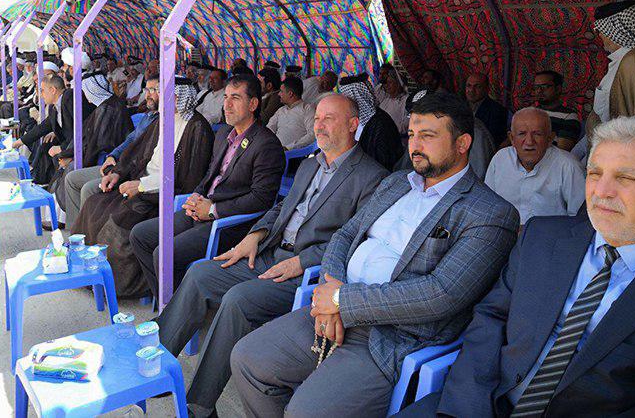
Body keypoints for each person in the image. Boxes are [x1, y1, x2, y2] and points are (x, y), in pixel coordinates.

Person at [231, 92, 520, 417]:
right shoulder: (397, 183)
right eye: (412, 134)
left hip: (390, 337)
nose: (415, 145)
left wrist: (342, 301)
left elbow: (440, 294)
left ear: (462, 143)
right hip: (333, 311)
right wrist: (331, 293)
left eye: (427, 136)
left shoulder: (489, 213)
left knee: (304, 412)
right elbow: (344, 235)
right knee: (247, 359)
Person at [155, 94, 389, 417]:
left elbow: (353, 242)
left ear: (353, 125)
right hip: (269, 252)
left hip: (306, 274)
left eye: (329, 119)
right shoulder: (310, 164)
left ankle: (199, 406)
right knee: (199, 274)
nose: (319, 126)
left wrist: (302, 262)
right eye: (317, 119)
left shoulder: (372, 177)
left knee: (237, 300)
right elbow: (281, 208)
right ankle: (156, 366)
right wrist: (255, 235)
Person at [398, 115, 635, 418]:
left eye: (626, 178)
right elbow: (491, 318)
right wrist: (466, 408)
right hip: (483, 403)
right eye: (594, 173)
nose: (601, 191)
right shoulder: (541, 237)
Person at [129, 73, 285, 300]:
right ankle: (170, 300)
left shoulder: (266, 144)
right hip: (201, 210)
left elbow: (262, 199)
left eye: (235, 98)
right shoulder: (223, 134)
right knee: (140, 235)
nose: (227, 105)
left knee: (164, 253)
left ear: (253, 104)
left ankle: (176, 311)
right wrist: (196, 195)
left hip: (230, 223)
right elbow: (210, 176)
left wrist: (213, 210)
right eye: (225, 97)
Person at [71, 77, 215, 297]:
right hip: (140, 182)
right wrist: (117, 173)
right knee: (94, 203)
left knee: (119, 219)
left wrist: (141, 186)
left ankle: (117, 284)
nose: (161, 98)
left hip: (163, 193)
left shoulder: (197, 128)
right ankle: (90, 273)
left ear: (180, 97)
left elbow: (185, 177)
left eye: (167, 94)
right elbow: (136, 152)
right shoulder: (162, 119)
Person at [62, 75, 159, 225]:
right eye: (147, 90)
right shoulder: (148, 116)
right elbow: (130, 139)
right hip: (119, 163)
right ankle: (74, 230)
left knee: (88, 188)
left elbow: (101, 142)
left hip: (132, 170)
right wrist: (113, 155)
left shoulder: (111, 108)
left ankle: (84, 233)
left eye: (154, 90)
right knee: (71, 178)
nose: (148, 95)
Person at [52, 71, 133, 218]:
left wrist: (72, 155)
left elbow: (99, 144)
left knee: (71, 168)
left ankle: (69, 220)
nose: (86, 97)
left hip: (109, 159)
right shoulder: (105, 106)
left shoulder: (107, 109)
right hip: (100, 154)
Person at [485, 107, 585, 226]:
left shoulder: (568, 167)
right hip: (503, 232)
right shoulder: (500, 159)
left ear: (550, 139)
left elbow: (581, 221)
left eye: (537, 134)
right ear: (512, 138)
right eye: (522, 134)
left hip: (550, 236)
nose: (529, 142)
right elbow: (487, 206)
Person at [13, 74, 95, 186]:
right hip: (70, 144)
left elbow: (83, 129)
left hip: (85, 146)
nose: (40, 95)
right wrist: (20, 141)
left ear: (52, 90)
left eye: (42, 90)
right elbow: (43, 127)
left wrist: (62, 149)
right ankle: (40, 181)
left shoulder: (70, 97)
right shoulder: (53, 107)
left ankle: (54, 188)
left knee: (53, 152)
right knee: (45, 146)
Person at [587, 0, 635, 134]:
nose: (599, 35)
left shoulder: (634, 62)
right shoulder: (623, 60)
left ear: (616, 30)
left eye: (600, 30)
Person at [339, 72, 404, 170]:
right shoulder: (358, 121)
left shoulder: (381, 124)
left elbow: (383, 162)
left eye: (349, 99)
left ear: (359, 98)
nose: (346, 104)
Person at [533, 70, 580, 151]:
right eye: (536, 87)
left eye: (545, 87)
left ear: (558, 89)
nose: (539, 91)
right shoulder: (529, 112)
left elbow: (562, 150)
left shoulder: (569, 116)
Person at [267, 76, 315, 150]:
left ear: (290, 94)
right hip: (274, 151)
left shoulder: (307, 109)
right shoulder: (281, 110)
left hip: (296, 153)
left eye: (281, 91)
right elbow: (268, 130)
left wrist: (289, 147)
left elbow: (312, 135)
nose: (279, 94)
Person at [465, 71, 510, 148]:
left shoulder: (497, 110)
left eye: (477, 86)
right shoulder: (460, 106)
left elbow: (493, 141)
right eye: (469, 86)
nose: (472, 90)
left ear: (486, 89)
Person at [379, 67, 409, 134]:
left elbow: (406, 124)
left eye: (390, 82)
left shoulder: (406, 101)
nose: (387, 85)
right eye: (386, 83)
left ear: (398, 84)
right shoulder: (385, 102)